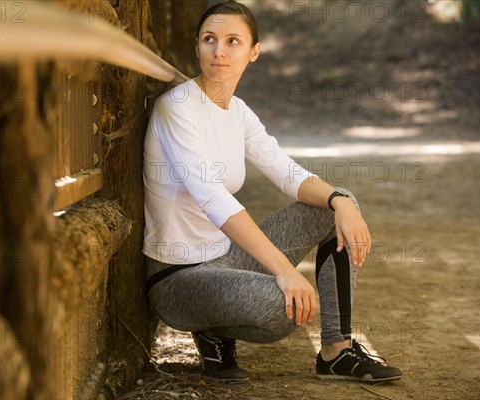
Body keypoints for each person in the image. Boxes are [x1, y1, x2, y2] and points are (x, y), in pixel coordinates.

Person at [142, 0, 402, 383]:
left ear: (253, 52)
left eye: (233, 41)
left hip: (228, 259)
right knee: (284, 306)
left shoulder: (239, 112)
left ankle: (336, 350)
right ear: (197, 46)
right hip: (179, 278)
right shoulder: (177, 109)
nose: (219, 51)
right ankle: (212, 328)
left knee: (338, 205)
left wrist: (339, 199)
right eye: (209, 39)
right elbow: (213, 198)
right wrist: (284, 271)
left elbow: (287, 173)